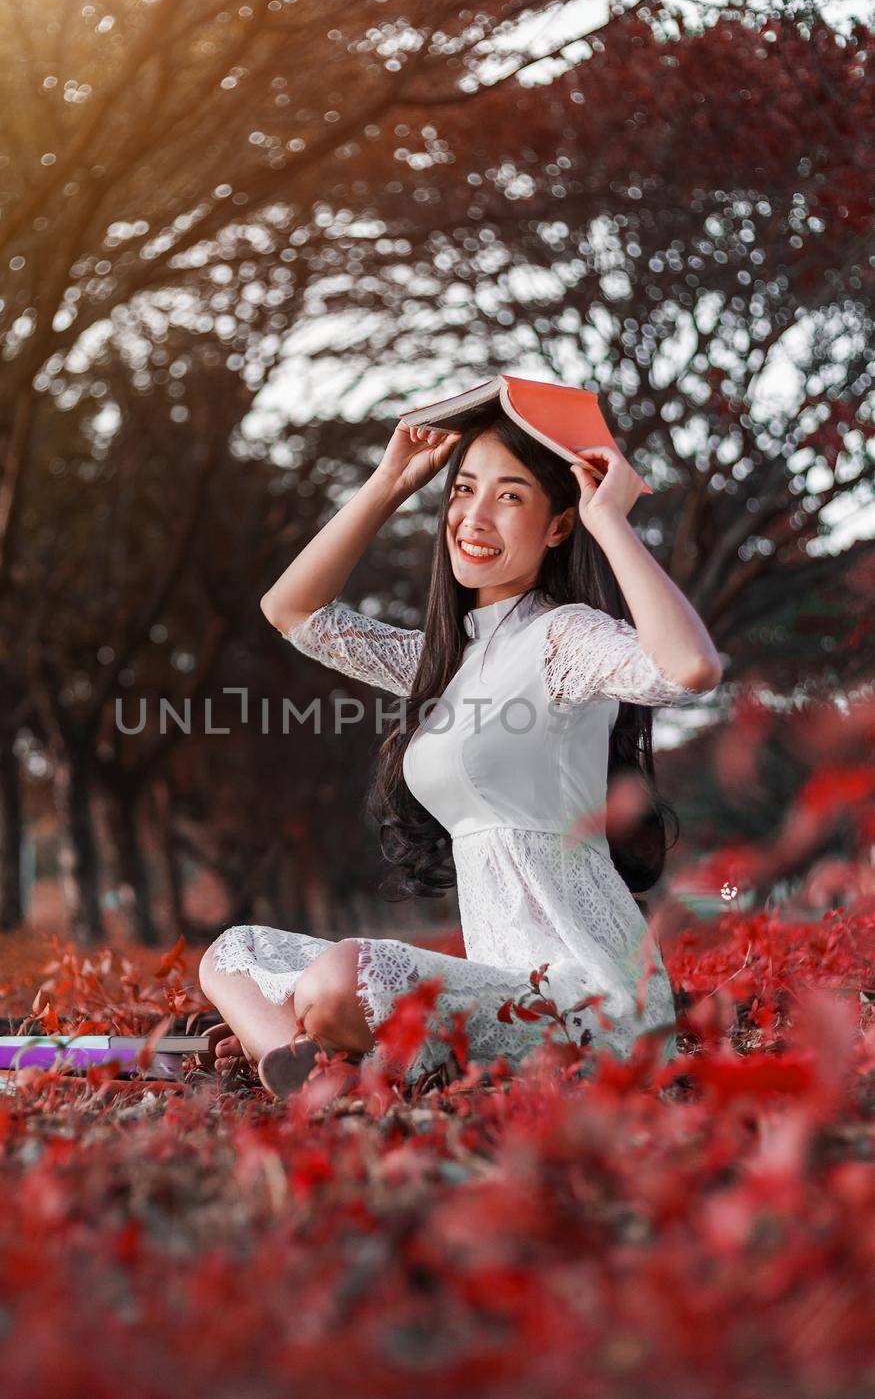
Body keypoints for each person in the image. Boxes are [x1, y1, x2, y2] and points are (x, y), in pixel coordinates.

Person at [198, 401, 723, 1099]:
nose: (474, 516)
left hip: (586, 998)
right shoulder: (442, 663)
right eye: (464, 489)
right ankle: (292, 1060)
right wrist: (389, 480)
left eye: (509, 496)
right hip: (496, 987)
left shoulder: (563, 637)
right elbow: (292, 611)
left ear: (558, 524)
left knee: (343, 976)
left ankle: (318, 1049)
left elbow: (689, 667)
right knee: (232, 953)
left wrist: (609, 521)